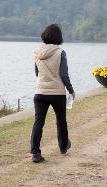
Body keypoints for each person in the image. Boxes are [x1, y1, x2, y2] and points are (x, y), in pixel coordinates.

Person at [30, 24, 75, 163]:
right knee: (61, 121)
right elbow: (64, 74)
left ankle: (35, 153)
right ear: (58, 37)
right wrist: (71, 90)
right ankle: (63, 146)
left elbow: (37, 73)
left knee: (39, 122)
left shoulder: (37, 52)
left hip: (40, 92)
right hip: (57, 93)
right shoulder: (60, 52)